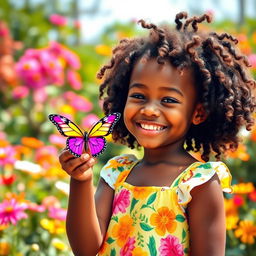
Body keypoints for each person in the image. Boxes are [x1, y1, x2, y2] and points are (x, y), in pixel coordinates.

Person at [59, 12, 255, 256]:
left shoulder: (198, 183)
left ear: (198, 113)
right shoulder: (116, 173)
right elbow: (85, 250)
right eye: (139, 96)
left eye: (169, 100)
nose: (149, 110)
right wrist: (81, 180)